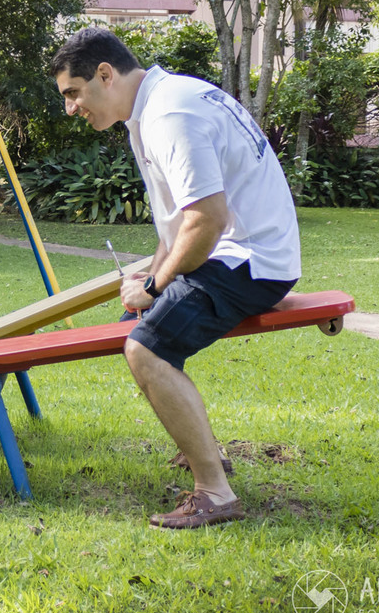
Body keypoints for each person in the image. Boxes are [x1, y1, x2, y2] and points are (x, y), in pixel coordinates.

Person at [50, 28, 301, 529]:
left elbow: (207, 219)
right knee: (143, 325)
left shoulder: (170, 114)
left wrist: (153, 286)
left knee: (146, 348)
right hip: (235, 252)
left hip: (250, 262)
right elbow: (178, 224)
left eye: (72, 93)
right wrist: (152, 275)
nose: (70, 108)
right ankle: (204, 451)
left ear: (105, 74)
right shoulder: (153, 109)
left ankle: (216, 492)